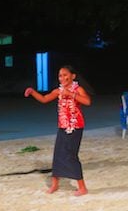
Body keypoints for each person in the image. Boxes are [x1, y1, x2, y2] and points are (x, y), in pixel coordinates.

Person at [24, 65, 91, 196]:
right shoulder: (57, 91)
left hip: (75, 127)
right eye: (60, 75)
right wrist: (33, 92)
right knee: (58, 155)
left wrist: (71, 94)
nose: (62, 78)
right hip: (62, 126)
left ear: (73, 76)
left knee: (71, 156)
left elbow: (87, 101)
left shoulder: (78, 89)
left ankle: (82, 187)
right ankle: (55, 184)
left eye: (65, 75)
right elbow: (44, 99)